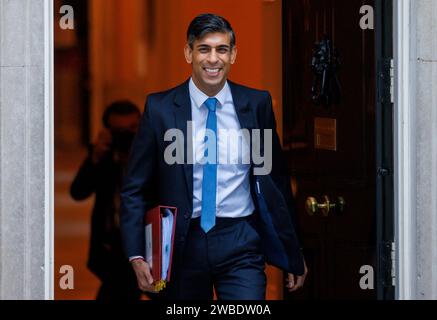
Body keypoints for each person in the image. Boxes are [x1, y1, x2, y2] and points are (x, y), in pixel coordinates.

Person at [120, 13, 308, 300]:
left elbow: (276, 181)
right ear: (188, 53)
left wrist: (292, 252)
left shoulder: (257, 104)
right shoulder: (159, 109)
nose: (213, 59)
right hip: (183, 243)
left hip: (241, 239)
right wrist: (137, 255)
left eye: (222, 49)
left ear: (233, 54)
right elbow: (134, 188)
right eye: (204, 49)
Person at [70, 101, 143, 301]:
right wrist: (95, 156)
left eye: (133, 129)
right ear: (108, 131)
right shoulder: (103, 155)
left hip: (147, 242)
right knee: (120, 287)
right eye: (120, 131)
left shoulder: (152, 153)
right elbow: (78, 192)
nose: (127, 136)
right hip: (111, 245)